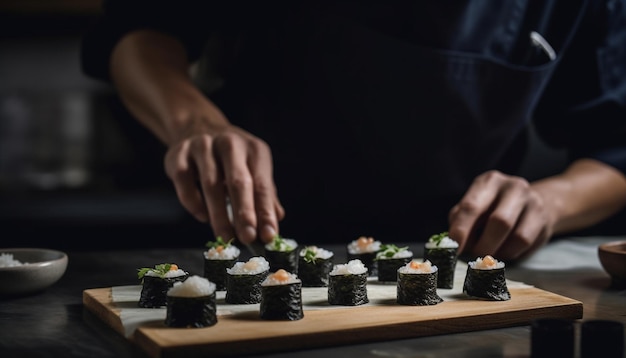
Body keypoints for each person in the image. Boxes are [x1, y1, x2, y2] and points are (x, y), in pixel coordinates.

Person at [81, 1, 626, 262]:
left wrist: (547, 203)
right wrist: (195, 122)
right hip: (244, 242)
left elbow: (614, 146)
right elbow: (140, 30)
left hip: (458, 264)